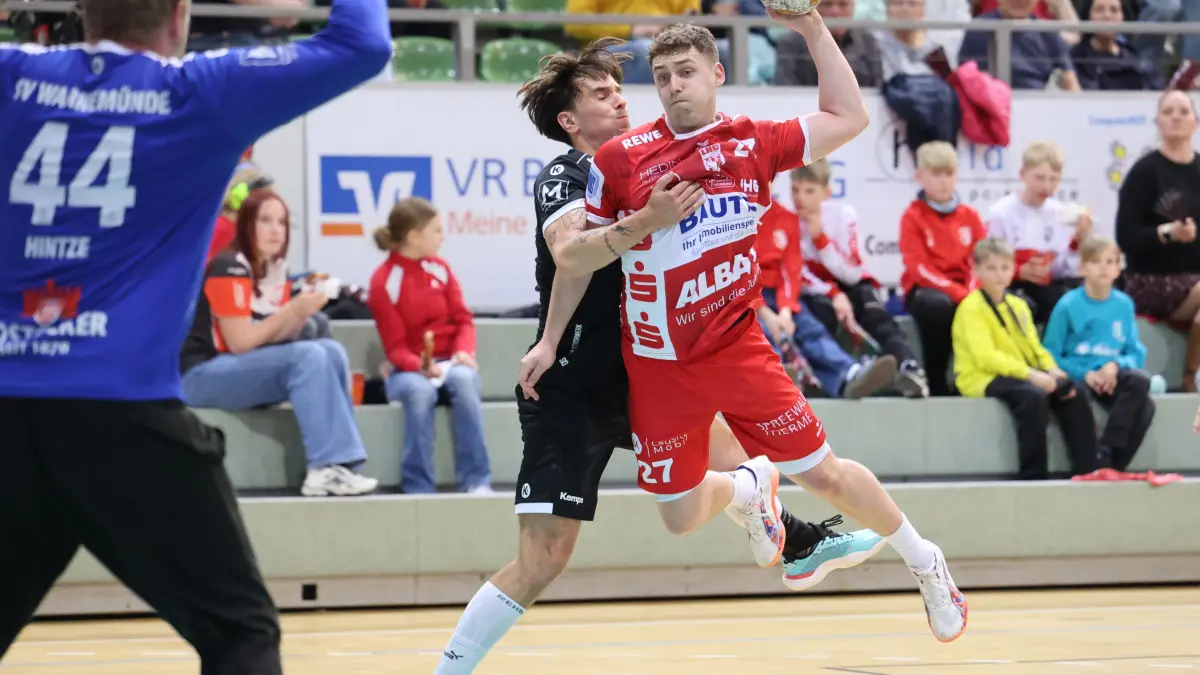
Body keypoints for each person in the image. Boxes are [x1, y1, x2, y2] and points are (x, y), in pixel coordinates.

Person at [432, 39, 885, 675]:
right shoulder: (566, 175)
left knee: (742, 452)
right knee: (544, 558)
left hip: (646, 370)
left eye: (621, 89)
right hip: (572, 388)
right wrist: (643, 225)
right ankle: (449, 669)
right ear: (569, 120)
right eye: (601, 94)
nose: (620, 100)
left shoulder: (655, 158)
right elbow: (570, 255)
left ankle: (799, 540)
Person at [0, 0, 392, 669]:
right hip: (125, 417)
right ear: (181, 15)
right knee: (239, 635)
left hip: (8, 411)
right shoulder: (200, 91)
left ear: (81, 11)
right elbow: (364, 43)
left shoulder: (12, 74)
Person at [584, 17, 965, 642]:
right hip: (657, 364)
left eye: (686, 72)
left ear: (717, 74)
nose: (674, 85)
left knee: (826, 475)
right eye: (662, 76)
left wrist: (812, 26)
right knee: (678, 518)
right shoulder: (620, 159)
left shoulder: (754, 141)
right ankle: (749, 487)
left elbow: (849, 116)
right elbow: (582, 255)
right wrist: (640, 226)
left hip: (738, 350)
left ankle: (924, 560)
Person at [180, 189, 378, 497]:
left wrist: (302, 313)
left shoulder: (276, 269)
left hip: (240, 367)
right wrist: (292, 310)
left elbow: (275, 336)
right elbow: (241, 342)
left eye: (282, 222)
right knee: (309, 356)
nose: (276, 230)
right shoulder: (228, 266)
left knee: (331, 351)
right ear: (246, 225)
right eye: (265, 221)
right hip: (201, 375)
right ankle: (323, 467)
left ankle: (343, 465)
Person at [367, 197, 493, 495]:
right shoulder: (383, 282)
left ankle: (476, 481)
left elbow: (463, 320)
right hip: (407, 370)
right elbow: (395, 347)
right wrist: (420, 366)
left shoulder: (441, 268)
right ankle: (418, 487)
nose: (442, 237)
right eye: (436, 230)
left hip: (451, 362)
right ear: (414, 236)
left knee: (464, 380)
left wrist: (463, 352)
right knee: (419, 391)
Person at [951, 238, 1099, 480]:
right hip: (981, 377)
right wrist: (1032, 375)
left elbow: (1034, 348)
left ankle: (1088, 470)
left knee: (1074, 392)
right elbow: (987, 358)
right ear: (976, 270)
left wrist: (1052, 370)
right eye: (991, 268)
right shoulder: (971, 308)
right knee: (1032, 397)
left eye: (1004, 267)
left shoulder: (1018, 305)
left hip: (1020, 372)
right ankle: (1033, 475)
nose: (999, 275)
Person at [790, 160, 928, 397]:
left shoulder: (843, 215)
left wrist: (820, 238)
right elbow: (798, 274)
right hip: (819, 291)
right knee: (819, 314)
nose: (800, 198)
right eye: (795, 190)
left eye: (809, 191)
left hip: (852, 284)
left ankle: (909, 368)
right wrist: (833, 293)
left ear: (826, 192)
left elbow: (851, 272)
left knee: (875, 314)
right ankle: (841, 379)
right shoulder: (788, 221)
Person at [755, 200, 901, 399]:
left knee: (810, 329)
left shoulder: (786, 218)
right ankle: (776, 378)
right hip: (744, 297)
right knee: (759, 332)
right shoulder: (730, 217)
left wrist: (786, 310)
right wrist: (763, 311)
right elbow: (736, 272)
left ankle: (849, 375)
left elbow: (791, 270)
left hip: (779, 295)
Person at [1042, 236, 1156, 473]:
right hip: (1080, 375)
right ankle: (1099, 464)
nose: (1103, 268)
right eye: (1096, 262)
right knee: (1077, 397)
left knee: (1142, 388)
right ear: (1083, 267)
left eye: (1110, 262)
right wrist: (1085, 374)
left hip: (1110, 375)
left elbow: (1135, 352)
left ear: (1118, 269)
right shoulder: (1068, 305)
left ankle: (1108, 454)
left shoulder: (1123, 304)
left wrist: (1114, 365)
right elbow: (1049, 354)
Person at [1115, 90, 1200, 392]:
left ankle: (1191, 376)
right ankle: (1189, 379)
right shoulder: (1144, 172)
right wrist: (1167, 233)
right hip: (1150, 279)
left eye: (1183, 111)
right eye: (1168, 112)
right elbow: (1125, 237)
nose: (1175, 117)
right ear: (1157, 123)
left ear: (1196, 122)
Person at [899, 140, 988, 397]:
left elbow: (980, 259)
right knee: (938, 307)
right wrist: (959, 293)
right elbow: (919, 268)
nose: (944, 181)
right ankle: (936, 380)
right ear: (920, 177)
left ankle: (976, 378)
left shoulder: (969, 216)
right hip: (925, 290)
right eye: (936, 174)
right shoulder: (913, 217)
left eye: (949, 174)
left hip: (966, 288)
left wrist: (970, 290)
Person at [985, 141, 1090, 325]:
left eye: (1053, 179)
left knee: (1074, 298)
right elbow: (986, 263)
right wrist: (1019, 271)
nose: (1046, 186)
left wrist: (1078, 241)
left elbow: (1062, 270)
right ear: (1022, 174)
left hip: (1047, 287)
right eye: (1039, 178)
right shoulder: (1001, 213)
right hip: (1011, 285)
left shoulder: (1060, 213)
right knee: (1025, 304)